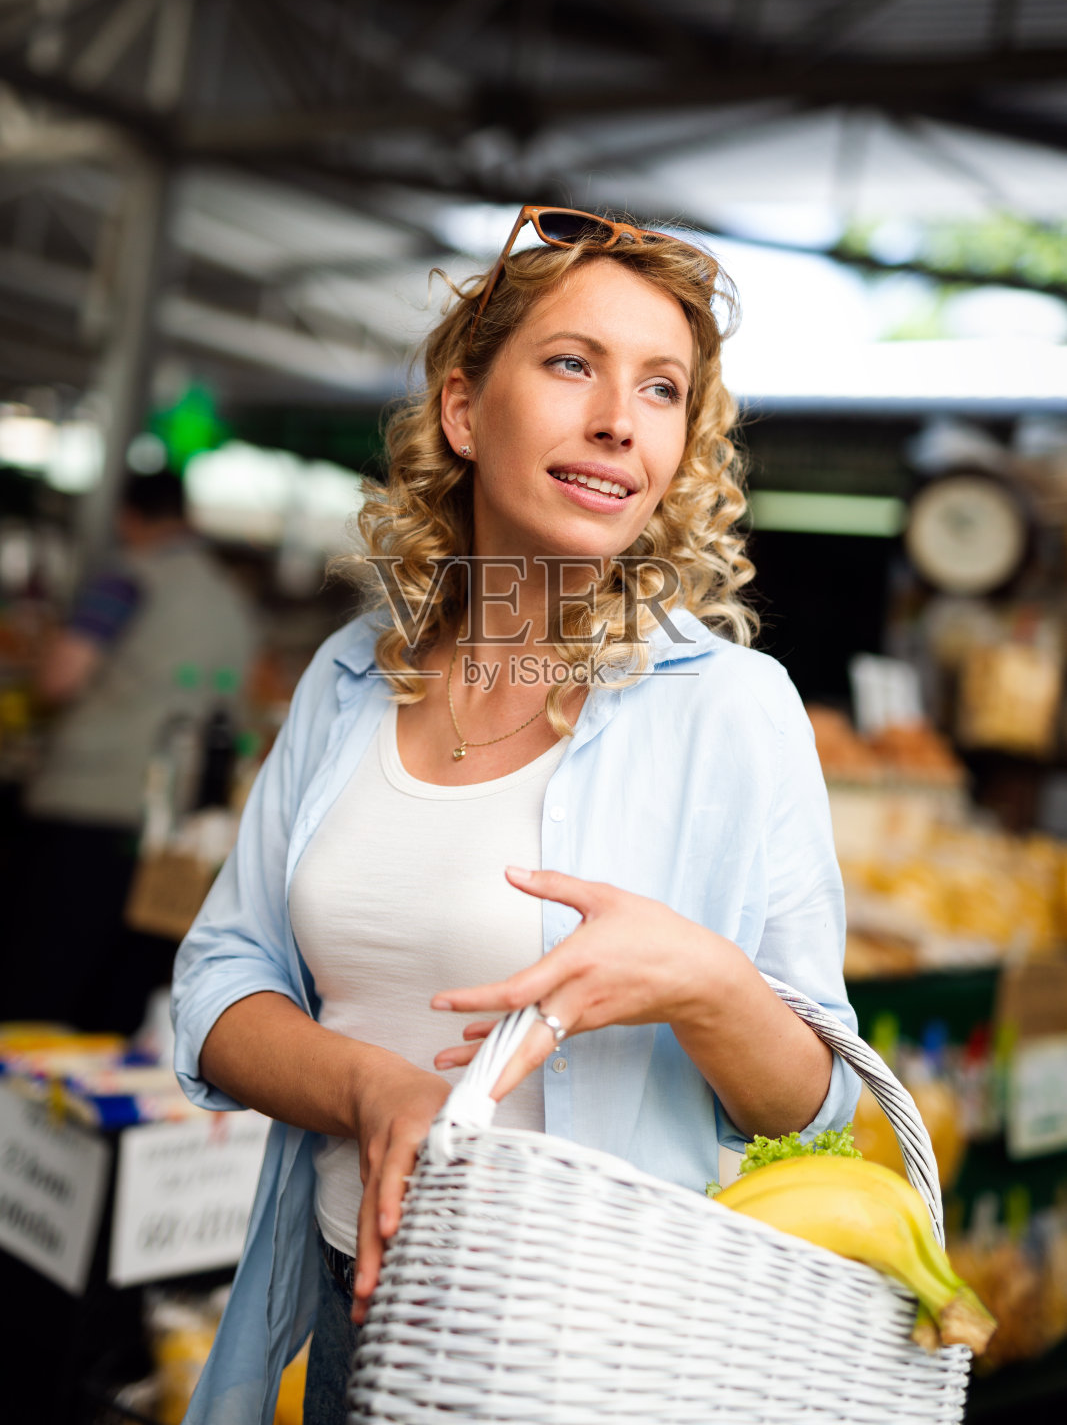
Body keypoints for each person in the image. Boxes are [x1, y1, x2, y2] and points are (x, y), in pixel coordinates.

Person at [171, 208, 860, 1425]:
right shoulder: (346, 681)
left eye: (660, 389)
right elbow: (223, 980)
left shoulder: (729, 710)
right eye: (569, 363)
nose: (617, 420)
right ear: (461, 408)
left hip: (589, 1356)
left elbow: (812, 1106)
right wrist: (371, 1090)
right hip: (348, 1309)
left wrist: (701, 980)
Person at [5, 469, 256, 1034]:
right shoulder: (233, 599)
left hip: (89, 807)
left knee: (41, 982)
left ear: (129, 518)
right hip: (177, 826)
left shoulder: (128, 580)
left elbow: (60, 679)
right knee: (120, 989)